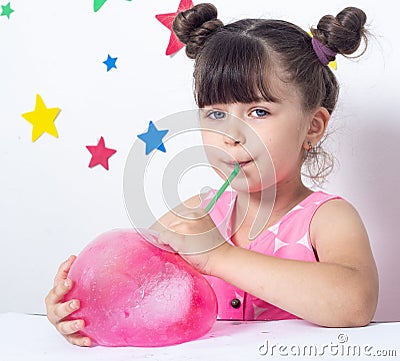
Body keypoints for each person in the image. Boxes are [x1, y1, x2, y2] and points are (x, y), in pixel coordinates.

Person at [45, 3, 379, 346]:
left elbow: (354, 304)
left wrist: (219, 256)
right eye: (216, 114)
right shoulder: (194, 215)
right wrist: (78, 301)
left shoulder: (326, 218)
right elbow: (130, 280)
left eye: (259, 111)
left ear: (313, 126)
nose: (232, 134)